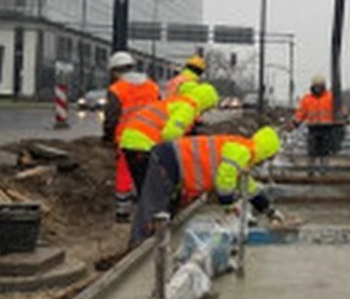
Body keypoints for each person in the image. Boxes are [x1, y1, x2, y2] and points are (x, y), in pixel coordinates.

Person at [131, 128, 284, 246]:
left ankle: (155, 242)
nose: (265, 162)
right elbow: (224, 181)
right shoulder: (241, 152)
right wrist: (229, 207)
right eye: (269, 158)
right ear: (266, 152)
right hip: (171, 159)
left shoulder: (244, 154)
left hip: (174, 161)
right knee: (154, 207)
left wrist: (270, 211)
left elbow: (248, 187)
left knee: (166, 210)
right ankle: (139, 246)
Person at [117, 83, 220, 198]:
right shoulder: (188, 107)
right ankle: (153, 207)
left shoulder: (177, 101)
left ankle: (144, 206)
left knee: (145, 186)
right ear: (205, 103)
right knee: (154, 188)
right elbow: (171, 133)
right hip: (144, 143)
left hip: (131, 140)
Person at [104, 52, 161, 222]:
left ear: (115, 71)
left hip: (127, 140)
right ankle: (151, 210)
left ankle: (123, 213)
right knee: (150, 174)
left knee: (124, 175)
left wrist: (108, 136)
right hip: (152, 137)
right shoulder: (152, 86)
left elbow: (112, 117)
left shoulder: (116, 89)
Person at [289, 74, 337, 172]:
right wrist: (295, 122)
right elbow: (301, 112)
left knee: (325, 150)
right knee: (312, 150)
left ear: (323, 86)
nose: (318, 89)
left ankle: (324, 168)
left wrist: (344, 117)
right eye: (316, 86)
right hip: (313, 128)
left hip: (327, 127)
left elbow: (338, 109)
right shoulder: (307, 99)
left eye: (320, 86)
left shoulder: (330, 98)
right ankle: (311, 168)